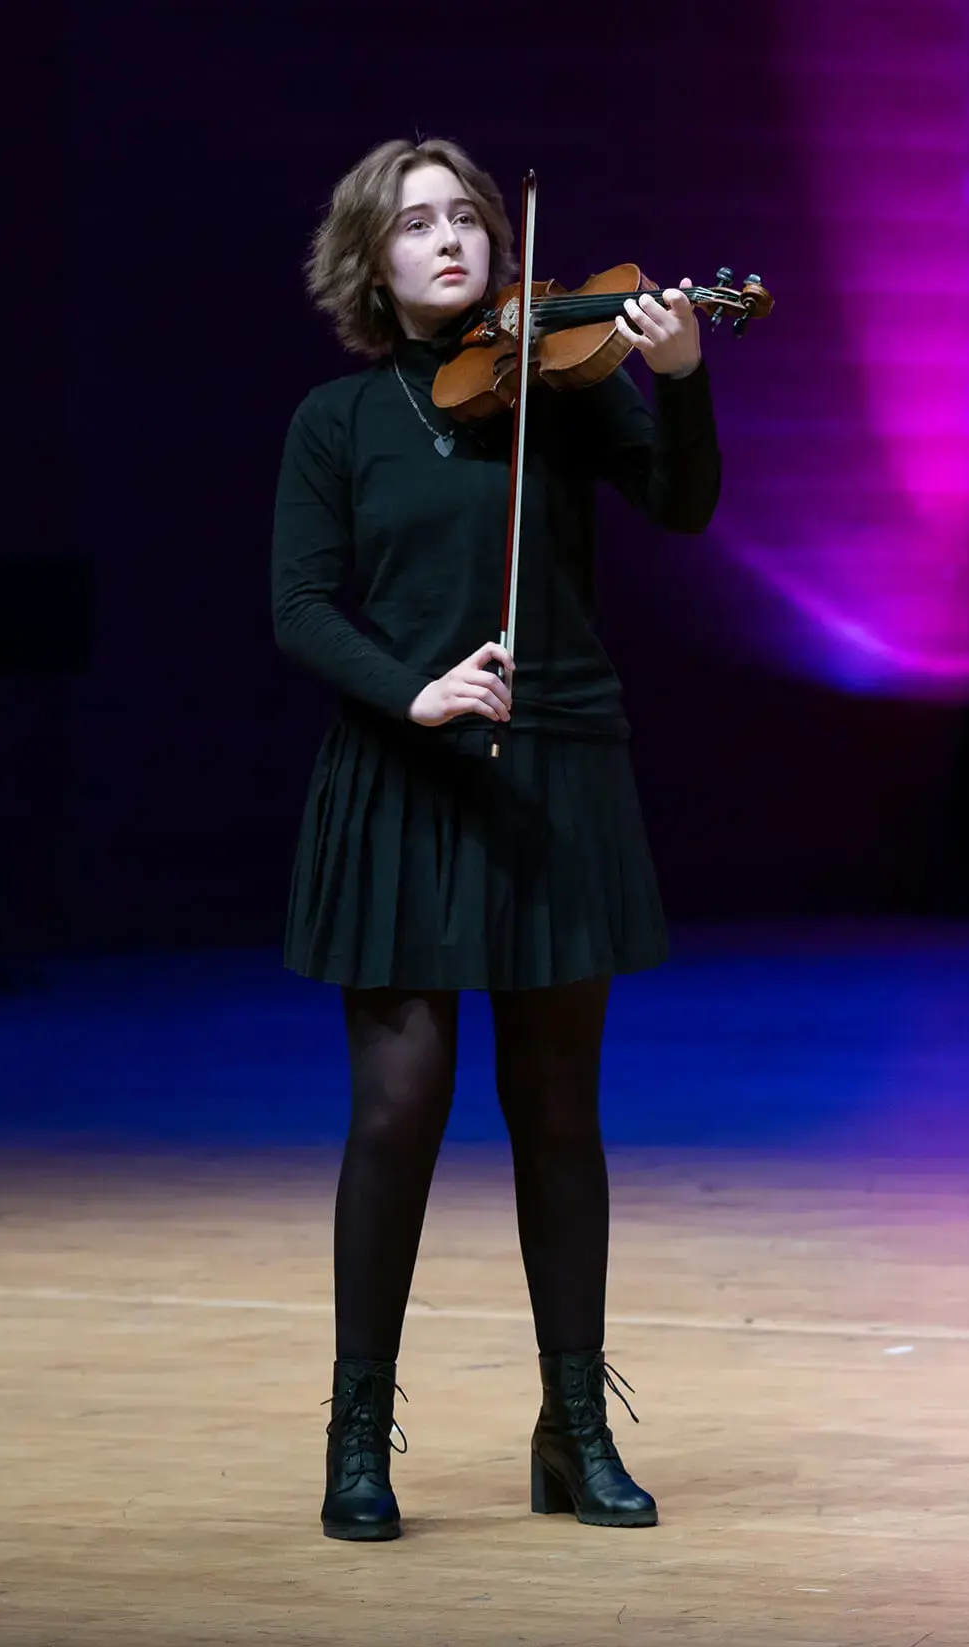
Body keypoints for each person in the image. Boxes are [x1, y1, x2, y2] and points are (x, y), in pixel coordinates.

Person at [270, 137, 722, 1542]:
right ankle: (359, 1432)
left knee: (558, 1111)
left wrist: (684, 378)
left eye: (468, 214)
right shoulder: (337, 420)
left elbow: (683, 504)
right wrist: (412, 688)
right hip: (407, 780)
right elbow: (301, 603)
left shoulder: (564, 393)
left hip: (554, 767)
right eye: (418, 223)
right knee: (398, 1108)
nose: (453, 238)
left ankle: (573, 1426)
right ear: (371, 259)